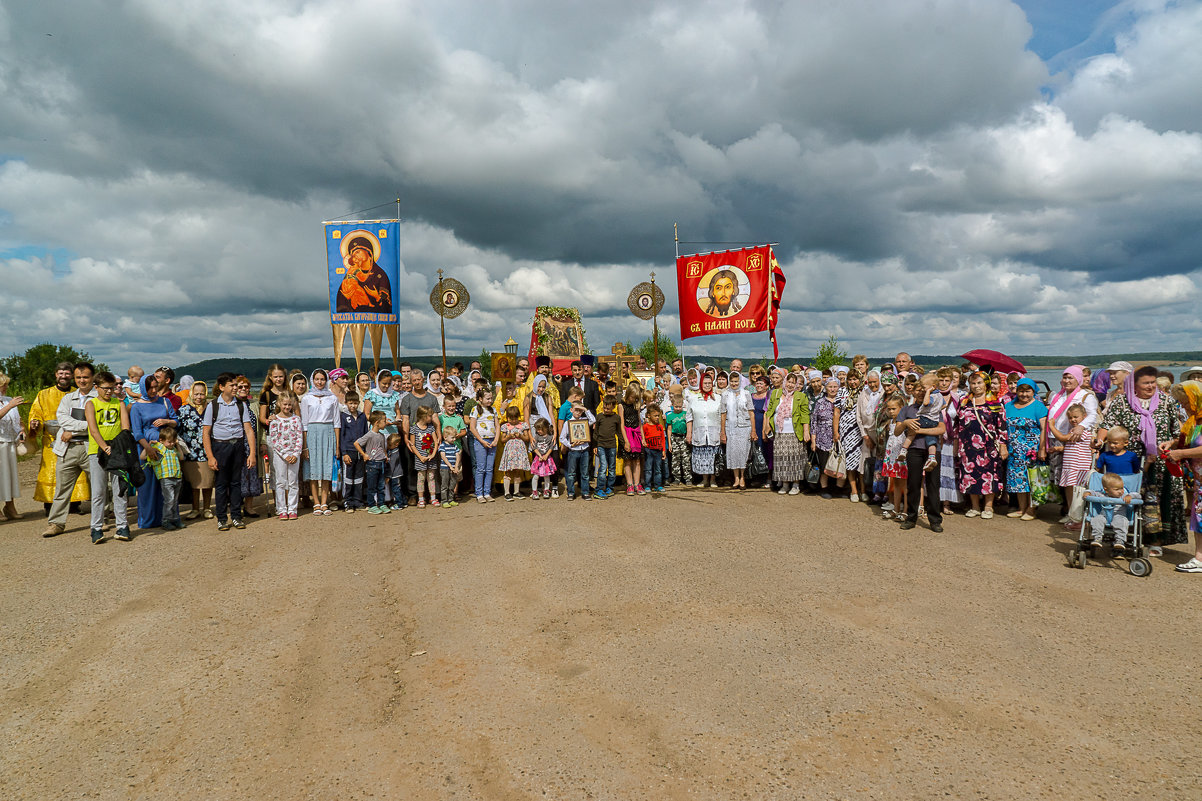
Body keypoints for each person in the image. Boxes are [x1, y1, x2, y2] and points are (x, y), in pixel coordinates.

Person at [1096, 366, 1186, 552]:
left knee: (1155, 501)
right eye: (1146, 383)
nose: (1151, 386)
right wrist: (1099, 440)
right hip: (1127, 462)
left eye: (1153, 382)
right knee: (1124, 497)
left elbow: (1177, 434)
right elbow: (1106, 425)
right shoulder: (1121, 402)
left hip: (1158, 462)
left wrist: (1171, 443)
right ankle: (1123, 537)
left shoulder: (1166, 401)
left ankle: (1155, 541)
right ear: (1134, 384)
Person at [42, 363, 99, 538]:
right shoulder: (68, 399)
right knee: (62, 489)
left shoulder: (99, 398)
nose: (82, 381)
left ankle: (102, 519)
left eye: (86, 377)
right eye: (79, 377)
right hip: (68, 449)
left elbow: (99, 424)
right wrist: (88, 425)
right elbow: (63, 421)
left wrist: (73, 430)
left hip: (91, 448)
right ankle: (56, 523)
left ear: (92, 378)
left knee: (101, 486)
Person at [29, 362, 90, 514]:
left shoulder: (78, 393)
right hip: (51, 439)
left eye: (67, 373)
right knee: (51, 471)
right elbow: (36, 412)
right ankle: (50, 505)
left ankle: (74, 504)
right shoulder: (44, 394)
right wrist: (34, 422)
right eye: (61, 373)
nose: (64, 376)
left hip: (74, 438)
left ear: (72, 376)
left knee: (76, 470)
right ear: (56, 374)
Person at [202, 373, 255, 531]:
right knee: (221, 484)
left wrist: (252, 453)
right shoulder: (213, 405)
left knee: (236, 483)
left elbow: (249, 430)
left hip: (237, 445)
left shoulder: (241, 405)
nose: (235, 388)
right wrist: (210, 456)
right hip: (220, 446)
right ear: (221, 387)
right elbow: (206, 432)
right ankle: (222, 518)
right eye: (232, 385)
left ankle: (237, 517)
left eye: (236, 385)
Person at [1045, 366, 1099, 522]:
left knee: (1077, 479)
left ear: (1079, 379)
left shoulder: (1085, 396)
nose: (1067, 381)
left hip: (1076, 439)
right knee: (1064, 477)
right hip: (1056, 438)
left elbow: (1092, 415)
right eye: (1065, 377)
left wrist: (1080, 427)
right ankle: (1069, 511)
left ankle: (1079, 513)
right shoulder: (1057, 395)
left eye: (1071, 378)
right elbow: (1051, 417)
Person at [953, 371, 1008, 520]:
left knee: (989, 475)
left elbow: (1002, 426)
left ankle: (988, 506)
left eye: (979, 383)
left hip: (988, 447)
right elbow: (958, 425)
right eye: (973, 383)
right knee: (970, 475)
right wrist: (956, 444)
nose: (976, 386)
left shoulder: (995, 403)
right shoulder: (964, 401)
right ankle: (975, 506)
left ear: (986, 384)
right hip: (967, 446)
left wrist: (1003, 446)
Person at [1166, 381, 1202, 572]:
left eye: (1186, 402)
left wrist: (1181, 454)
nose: (1184, 407)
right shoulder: (1193, 421)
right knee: (1198, 517)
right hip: (1199, 480)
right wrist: (1172, 445)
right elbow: (1187, 442)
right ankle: (1199, 558)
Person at [1003, 378, 1048, 520]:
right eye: (1021, 390)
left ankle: (1032, 508)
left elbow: (1044, 430)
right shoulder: (1008, 406)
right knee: (1017, 479)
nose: (1024, 394)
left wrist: (1042, 449)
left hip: (1031, 450)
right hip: (1014, 451)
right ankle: (1021, 508)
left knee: (1032, 479)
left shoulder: (1039, 407)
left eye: (1028, 391)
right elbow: (1003, 428)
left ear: (1033, 391)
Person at [300, 369, 340, 515]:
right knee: (313, 469)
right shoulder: (306, 398)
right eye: (317, 379)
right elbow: (304, 424)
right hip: (312, 432)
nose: (320, 382)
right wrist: (305, 446)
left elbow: (336, 422)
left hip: (328, 431)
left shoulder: (332, 398)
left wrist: (337, 445)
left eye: (322, 379)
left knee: (326, 468)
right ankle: (315, 502)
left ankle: (324, 502)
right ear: (313, 380)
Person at [765, 372, 810, 495]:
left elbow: (805, 415)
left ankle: (795, 484)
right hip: (779, 432)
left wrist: (806, 431)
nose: (790, 385)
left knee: (795, 459)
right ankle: (784, 484)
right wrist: (767, 425)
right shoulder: (776, 393)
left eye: (793, 383)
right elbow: (769, 411)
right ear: (785, 382)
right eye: (789, 381)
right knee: (782, 459)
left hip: (794, 433)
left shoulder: (801, 396)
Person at [177, 380, 214, 520]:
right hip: (190, 452)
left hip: (207, 451)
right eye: (196, 394)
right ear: (191, 393)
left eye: (202, 394)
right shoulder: (184, 409)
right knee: (194, 483)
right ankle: (195, 508)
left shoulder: (211, 408)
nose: (199, 397)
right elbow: (178, 430)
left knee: (207, 482)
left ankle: (207, 508)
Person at [268, 391, 304, 520]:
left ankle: (292, 508)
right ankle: (282, 509)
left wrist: (295, 453)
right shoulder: (275, 420)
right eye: (284, 404)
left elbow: (299, 437)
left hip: (294, 454)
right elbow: (274, 440)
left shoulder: (296, 419)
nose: (287, 407)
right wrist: (284, 455)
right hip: (280, 455)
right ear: (279, 404)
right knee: (281, 482)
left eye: (289, 405)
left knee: (293, 482)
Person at [336, 235, 392, 313]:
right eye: (353, 255)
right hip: (355, 320)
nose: (355, 255)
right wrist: (346, 298)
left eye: (358, 252)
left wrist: (377, 297)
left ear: (368, 251)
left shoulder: (380, 276)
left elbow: (388, 305)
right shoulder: (350, 276)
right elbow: (340, 304)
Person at [1084, 472, 1136, 557]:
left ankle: (1120, 540)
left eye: (1122, 488)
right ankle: (1097, 538)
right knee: (1097, 519)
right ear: (1106, 490)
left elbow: (1138, 495)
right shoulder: (1102, 495)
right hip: (1104, 516)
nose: (1121, 491)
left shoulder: (1123, 496)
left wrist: (1130, 496)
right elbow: (1092, 492)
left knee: (1122, 521)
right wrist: (1088, 493)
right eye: (1117, 489)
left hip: (1119, 516)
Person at [234, 376, 264, 518]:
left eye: (246, 387)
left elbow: (261, 426)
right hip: (236, 444)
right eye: (240, 387)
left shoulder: (254, 404)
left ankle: (249, 506)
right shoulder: (231, 404)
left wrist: (262, 442)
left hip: (252, 444)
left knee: (251, 475)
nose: (244, 389)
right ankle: (235, 506)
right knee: (237, 476)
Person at [720, 369, 755, 489]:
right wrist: (722, 432)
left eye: (736, 381)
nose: (734, 383)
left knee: (743, 453)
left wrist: (753, 430)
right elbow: (723, 414)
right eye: (732, 381)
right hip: (731, 428)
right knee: (733, 453)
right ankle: (736, 478)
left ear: (740, 381)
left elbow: (751, 413)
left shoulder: (746, 393)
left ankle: (743, 477)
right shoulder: (725, 394)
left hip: (744, 427)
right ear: (729, 382)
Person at [687, 373, 722, 488]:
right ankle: (704, 479)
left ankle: (713, 480)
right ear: (701, 384)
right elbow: (689, 417)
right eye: (705, 383)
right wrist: (689, 433)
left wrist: (722, 432)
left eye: (709, 383)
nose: (707, 385)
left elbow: (722, 416)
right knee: (702, 456)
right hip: (699, 432)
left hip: (714, 432)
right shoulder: (694, 399)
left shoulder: (718, 398)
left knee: (713, 456)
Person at [810, 378, 843, 499]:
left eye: (835, 386)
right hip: (822, 438)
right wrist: (813, 441)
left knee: (839, 464)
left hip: (840, 437)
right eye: (830, 387)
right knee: (824, 465)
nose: (833, 389)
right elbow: (814, 422)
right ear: (826, 388)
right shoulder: (820, 402)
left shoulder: (843, 401)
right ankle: (824, 489)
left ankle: (838, 489)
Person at [148, 424, 185, 531]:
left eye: (173, 441)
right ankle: (166, 520)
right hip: (166, 478)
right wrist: (148, 447)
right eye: (169, 441)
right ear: (162, 440)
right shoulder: (159, 447)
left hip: (177, 476)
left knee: (175, 500)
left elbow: (181, 457)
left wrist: (177, 445)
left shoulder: (173, 449)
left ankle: (175, 519)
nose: (171, 443)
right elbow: (142, 456)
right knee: (169, 500)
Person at [354, 410, 390, 514]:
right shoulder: (369, 435)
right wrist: (364, 454)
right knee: (372, 486)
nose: (386, 422)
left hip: (381, 463)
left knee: (381, 485)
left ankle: (381, 503)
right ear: (377, 422)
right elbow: (357, 443)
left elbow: (383, 448)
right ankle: (371, 505)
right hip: (372, 464)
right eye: (384, 421)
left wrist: (385, 456)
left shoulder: (382, 436)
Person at [0, 372, 25, 521]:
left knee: (9, 475)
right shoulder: (10, 403)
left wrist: (21, 430)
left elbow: (18, 420)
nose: (5, 388)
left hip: (9, 443)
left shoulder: (9, 400)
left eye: (6, 385)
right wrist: (9, 406)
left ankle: (10, 506)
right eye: (2, 386)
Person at [338, 390, 368, 512]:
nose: (353, 406)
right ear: (346, 403)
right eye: (350, 403)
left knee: (359, 477)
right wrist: (344, 453)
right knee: (348, 478)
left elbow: (366, 434)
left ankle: (358, 501)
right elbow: (341, 436)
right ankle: (348, 502)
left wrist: (365, 452)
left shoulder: (362, 417)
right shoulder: (343, 416)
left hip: (360, 452)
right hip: (349, 451)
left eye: (355, 403)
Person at [839, 370, 865, 501]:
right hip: (846, 432)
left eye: (855, 379)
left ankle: (863, 489)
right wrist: (835, 432)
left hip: (861, 431)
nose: (852, 382)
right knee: (849, 461)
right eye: (850, 379)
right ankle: (853, 490)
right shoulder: (842, 391)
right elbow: (837, 412)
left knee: (861, 461)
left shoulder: (865, 392)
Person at [560, 403, 595, 499]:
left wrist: (585, 408)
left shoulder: (584, 421)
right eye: (576, 410)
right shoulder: (567, 423)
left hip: (584, 450)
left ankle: (585, 492)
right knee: (571, 473)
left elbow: (593, 420)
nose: (578, 412)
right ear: (571, 410)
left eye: (580, 411)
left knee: (585, 473)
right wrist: (570, 445)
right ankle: (571, 492)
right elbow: (562, 438)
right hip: (573, 451)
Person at [880, 397, 908, 518]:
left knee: (905, 485)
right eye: (889, 409)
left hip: (901, 456)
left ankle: (906, 510)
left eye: (894, 409)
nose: (891, 411)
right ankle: (896, 509)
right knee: (895, 482)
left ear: (902, 408)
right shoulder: (890, 421)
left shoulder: (905, 421)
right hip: (892, 455)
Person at [469, 388, 498, 503]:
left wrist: (496, 439)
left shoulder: (493, 410)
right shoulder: (475, 409)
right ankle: (479, 493)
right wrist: (481, 440)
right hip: (480, 442)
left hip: (492, 441)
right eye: (487, 398)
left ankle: (487, 492)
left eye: (491, 398)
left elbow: (497, 426)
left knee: (489, 468)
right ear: (480, 399)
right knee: (480, 468)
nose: (490, 400)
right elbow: (472, 427)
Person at [409, 405, 440, 508]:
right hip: (420, 458)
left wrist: (433, 454)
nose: (431, 418)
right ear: (423, 416)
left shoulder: (431, 427)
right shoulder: (414, 428)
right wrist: (420, 457)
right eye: (429, 416)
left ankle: (433, 497)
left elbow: (435, 442)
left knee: (431, 477)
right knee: (421, 478)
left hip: (431, 457)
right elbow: (412, 445)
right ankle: (421, 499)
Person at [497, 406, 530, 501]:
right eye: (511, 419)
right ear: (507, 418)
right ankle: (507, 492)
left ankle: (516, 492)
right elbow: (502, 440)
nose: (513, 421)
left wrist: (520, 436)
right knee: (508, 471)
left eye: (515, 418)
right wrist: (509, 436)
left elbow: (527, 438)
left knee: (517, 471)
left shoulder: (523, 425)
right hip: (510, 451)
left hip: (519, 451)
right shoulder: (505, 426)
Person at [619, 384, 645, 495]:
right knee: (628, 460)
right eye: (632, 397)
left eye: (636, 398)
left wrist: (642, 437)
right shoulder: (621, 405)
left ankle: (637, 484)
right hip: (627, 433)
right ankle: (629, 484)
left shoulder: (636, 405)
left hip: (636, 433)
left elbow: (639, 422)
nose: (634, 399)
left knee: (637, 461)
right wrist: (626, 441)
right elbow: (621, 424)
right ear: (628, 394)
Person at [594, 396, 621, 499]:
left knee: (612, 468)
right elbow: (596, 433)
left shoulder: (616, 418)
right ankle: (599, 489)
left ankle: (609, 488)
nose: (605, 410)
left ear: (613, 407)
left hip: (612, 446)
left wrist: (623, 445)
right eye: (604, 408)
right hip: (601, 445)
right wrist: (595, 445)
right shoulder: (599, 417)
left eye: (608, 409)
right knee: (603, 467)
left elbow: (619, 433)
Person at [666, 391, 692, 487]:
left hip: (684, 437)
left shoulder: (685, 414)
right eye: (676, 407)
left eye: (679, 406)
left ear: (682, 405)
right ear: (672, 405)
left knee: (685, 458)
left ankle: (688, 478)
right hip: (674, 437)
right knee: (675, 459)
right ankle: (676, 478)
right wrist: (669, 443)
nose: (678, 408)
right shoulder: (670, 416)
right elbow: (669, 430)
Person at [642, 405, 668, 493]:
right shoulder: (645, 426)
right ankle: (647, 485)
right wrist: (644, 442)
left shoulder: (660, 426)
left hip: (658, 450)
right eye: (655, 416)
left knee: (658, 469)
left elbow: (663, 439)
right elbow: (643, 437)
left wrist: (664, 450)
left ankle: (658, 485)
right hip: (649, 450)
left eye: (658, 416)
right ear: (648, 415)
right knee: (648, 469)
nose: (657, 418)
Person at [437, 426, 462, 508]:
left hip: (454, 468)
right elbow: (443, 457)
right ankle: (444, 500)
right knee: (445, 485)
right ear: (445, 437)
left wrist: (456, 466)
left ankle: (451, 499)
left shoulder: (454, 446)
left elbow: (457, 455)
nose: (454, 439)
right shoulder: (442, 446)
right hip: (445, 468)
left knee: (452, 484)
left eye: (455, 437)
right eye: (452, 437)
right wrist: (450, 466)